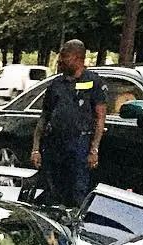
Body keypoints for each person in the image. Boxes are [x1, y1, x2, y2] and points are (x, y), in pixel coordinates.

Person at [30, 39, 107, 208]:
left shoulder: (94, 82)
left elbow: (100, 117)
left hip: (79, 145)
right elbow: (44, 117)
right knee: (52, 192)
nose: (60, 60)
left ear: (78, 58)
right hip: (55, 145)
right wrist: (36, 148)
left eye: (65, 56)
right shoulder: (56, 84)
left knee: (77, 192)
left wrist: (94, 148)